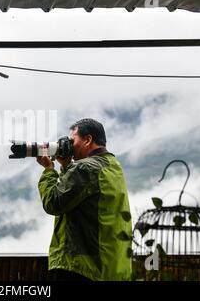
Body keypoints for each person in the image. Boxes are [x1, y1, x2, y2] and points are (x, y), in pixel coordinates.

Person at [37, 118, 132, 281]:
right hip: (109, 267)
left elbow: (53, 203)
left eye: (72, 141)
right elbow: (81, 194)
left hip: (81, 268)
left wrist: (49, 170)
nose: (69, 146)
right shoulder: (112, 165)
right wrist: (67, 166)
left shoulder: (85, 168)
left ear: (88, 140)